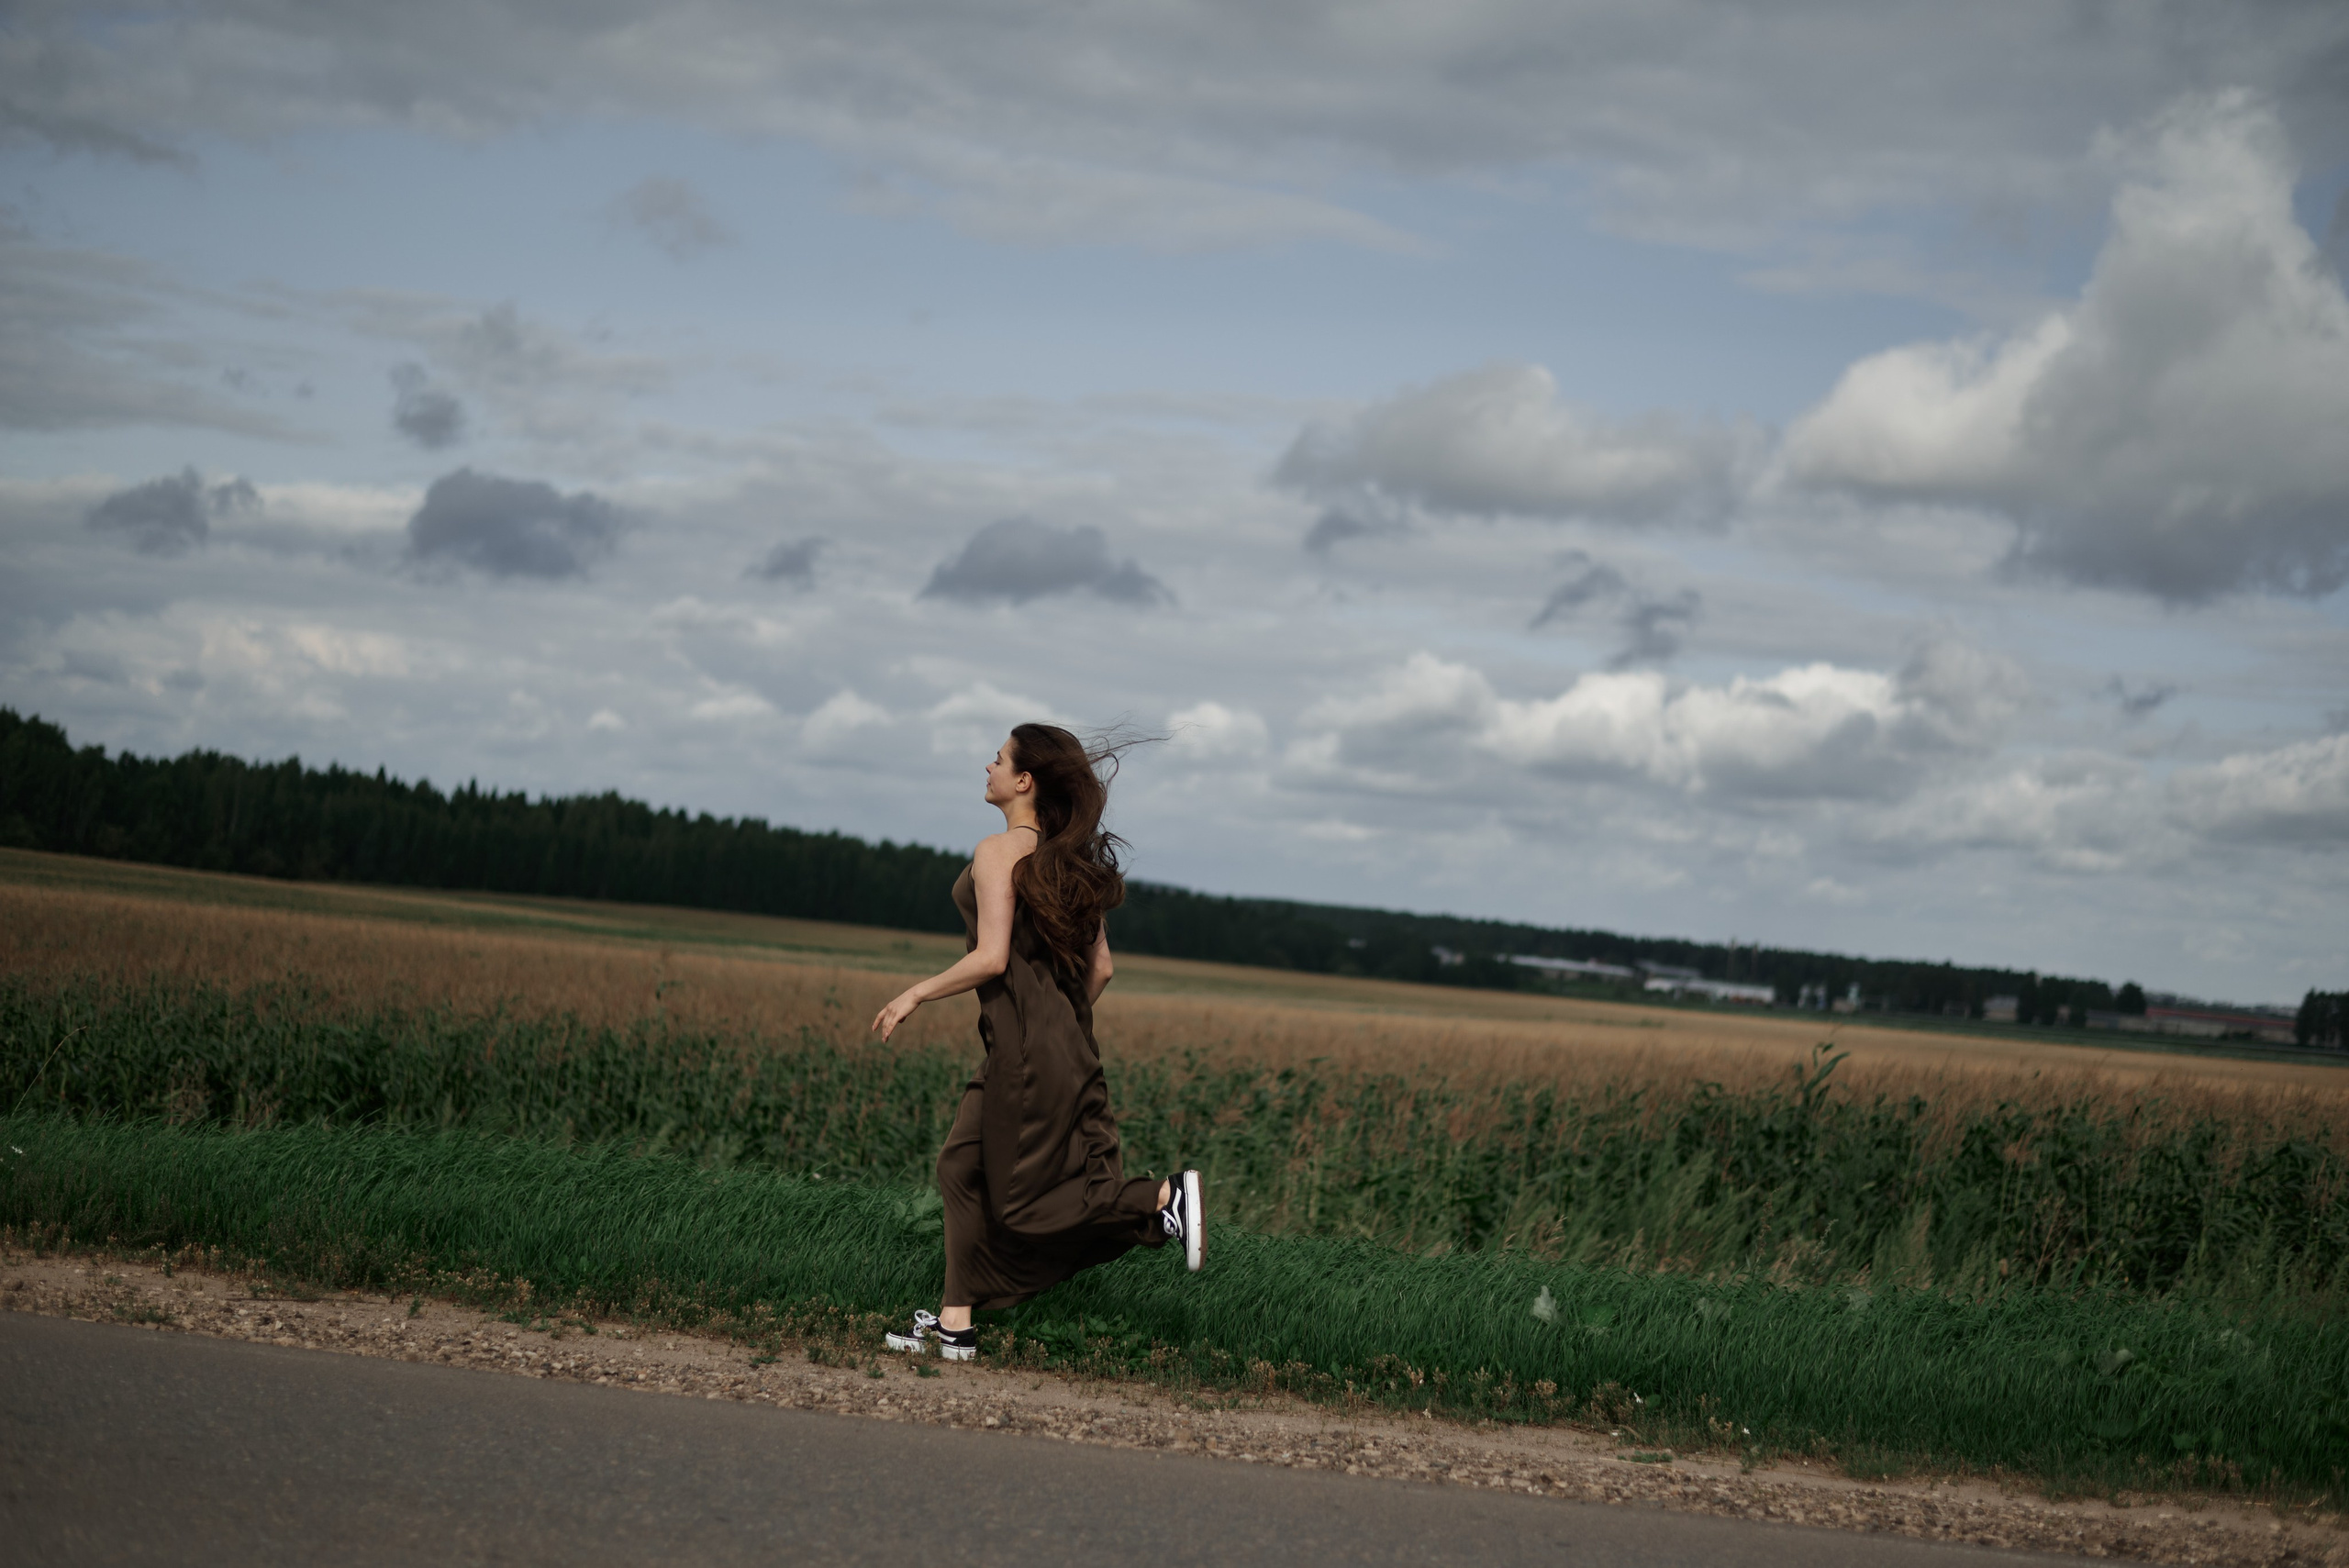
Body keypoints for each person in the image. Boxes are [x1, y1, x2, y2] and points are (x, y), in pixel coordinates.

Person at [872, 723, 1203, 1362]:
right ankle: (956, 1325)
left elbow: (992, 957)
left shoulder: (1000, 851)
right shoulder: (1068, 860)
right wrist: (1053, 1030)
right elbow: (1101, 969)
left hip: (1024, 1048)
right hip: (1057, 1041)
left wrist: (915, 992)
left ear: (1024, 781)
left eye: (997, 759)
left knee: (1024, 1203)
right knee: (960, 1166)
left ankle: (1161, 1199)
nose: (986, 765)